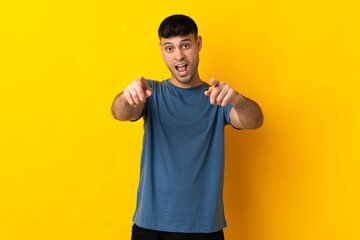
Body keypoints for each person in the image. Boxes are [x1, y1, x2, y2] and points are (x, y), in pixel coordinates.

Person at [111, 14, 263, 240]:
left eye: (185, 45)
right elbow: (119, 112)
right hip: (151, 227)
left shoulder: (217, 98)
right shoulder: (151, 93)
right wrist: (127, 96)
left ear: (198, 44)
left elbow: (255, 120)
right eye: (169, 48)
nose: (179, 55)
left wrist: (238, 100)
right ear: (161, 51)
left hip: (204, 229)